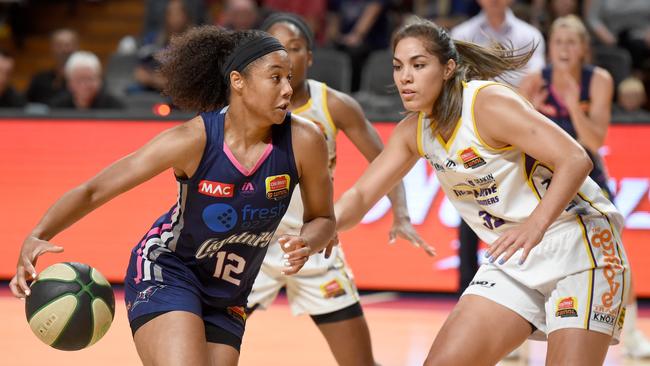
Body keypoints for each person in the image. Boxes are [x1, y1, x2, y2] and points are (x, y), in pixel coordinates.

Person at [10, 26, 336, 366]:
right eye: (275, 78)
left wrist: (307, 242)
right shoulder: (195, 139)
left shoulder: (305, 140)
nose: (288, 89)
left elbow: (324, 219)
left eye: (290, 77)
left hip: (229, 293)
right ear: (238, 81)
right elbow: (95, 190)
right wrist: (38, 234)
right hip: (170, 268)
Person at [333, 18, 630, 365]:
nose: (405, 77)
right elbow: (360, 196)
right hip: (514, 257)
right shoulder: (413, 131)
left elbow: (576, 159)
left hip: (579, 245)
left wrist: (535, 225)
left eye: (418, 65)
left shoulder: (486, 103)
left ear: (448, 69)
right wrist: (313, 230)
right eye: (398, 67)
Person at [246, 13, 433, 366]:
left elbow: (385, 161)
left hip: (317, 245)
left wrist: (402, 213)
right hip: (254, 246)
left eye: (295, 48)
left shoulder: (334, 105)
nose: (285, 56)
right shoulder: (244, 106)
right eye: (275, 48)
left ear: (310, 57)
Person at [520, 15, 650, 359]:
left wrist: (573, 102)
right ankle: (516, 337)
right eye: (558, 42)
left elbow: (595, 138)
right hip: (545, 182)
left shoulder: (599, 80)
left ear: (584, 49)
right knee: (526, 253)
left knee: (614, 257)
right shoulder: (534, 81)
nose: (564, 48)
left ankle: (633, 334)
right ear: (550, 48)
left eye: (571, 42)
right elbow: (517, 140)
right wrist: (533, 110)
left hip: (590, 181)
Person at [450, 0, 546, 306]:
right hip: (470, 134)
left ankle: (528, 289)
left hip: (516, 136)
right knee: (468, 211)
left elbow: (536, 82)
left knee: (519, 208)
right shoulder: (462, 32)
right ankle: (466, 291)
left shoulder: (528, 34)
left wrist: (498, 105)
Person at [50, 51, 125, 110]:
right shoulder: (57, 107)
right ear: (69, 82)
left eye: (89, 79)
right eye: (79, 79)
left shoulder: (115, 107)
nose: (84, 85)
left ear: (99, 80)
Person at [26, 29, 79, 105]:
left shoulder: (84, 82)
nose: (64, 50)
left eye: (67, 45)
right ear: (52, 48)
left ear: (76, 47)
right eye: (59, 45)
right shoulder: (40, 80)